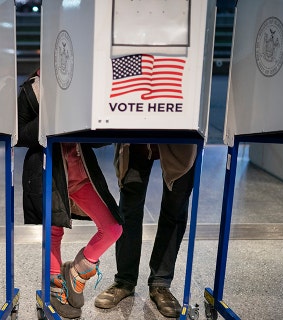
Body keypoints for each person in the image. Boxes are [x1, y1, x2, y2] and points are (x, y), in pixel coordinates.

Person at [17, 69, 123, 319]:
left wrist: (92, 115)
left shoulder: (85, 83)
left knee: (113, 228)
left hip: (82, 176)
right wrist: (52, 113)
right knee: (54, 232)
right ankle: (54, 288)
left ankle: (78, 272)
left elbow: (100, 139)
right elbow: (20, 135)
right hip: (49, 175)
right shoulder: (31, 89)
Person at [94, 143, 197, 318]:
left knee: (176, 205)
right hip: (137, 126)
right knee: (129, 204)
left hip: (180, 127)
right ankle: (124, 280)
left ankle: (161, 283)